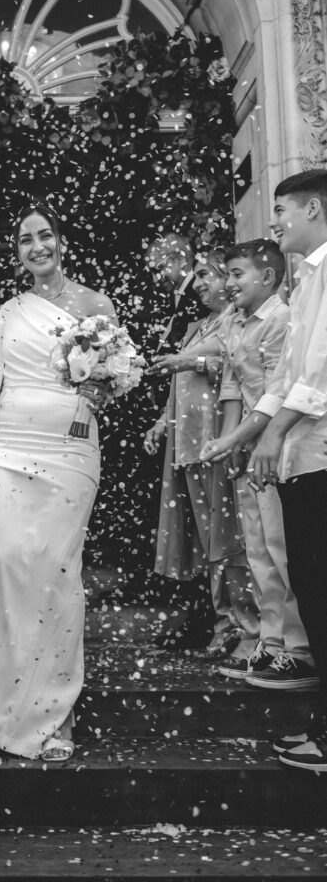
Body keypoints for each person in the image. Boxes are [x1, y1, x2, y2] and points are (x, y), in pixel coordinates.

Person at [0, 203, 116, 761]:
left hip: (69, 450)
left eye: (45, 236)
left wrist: (105, 386)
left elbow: (119, 377)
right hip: (6, 443)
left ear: (62, 241)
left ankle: (52, 710)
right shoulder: (5, 312)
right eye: (25, 240)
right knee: (3, 553)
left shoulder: (96, 305)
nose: (36, 246)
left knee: (54, 571)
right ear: (16, 252)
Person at [200, 171, 327, 772]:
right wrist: (251, 436)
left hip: (321, 449)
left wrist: (270, 434)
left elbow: (319, 373)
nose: (274, 222)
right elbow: (282, 380)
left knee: (318, 583)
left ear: (313, 207)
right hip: (298, 452)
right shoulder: (305, 281)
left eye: (280, 210)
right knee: (305, 572)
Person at [201, 239, 314, 685]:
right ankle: (270, 642)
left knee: (281, 547)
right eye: (226, 275)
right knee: (257, 548)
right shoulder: (237, 323)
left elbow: (276, 391)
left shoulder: (280, 320)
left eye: (236, 274)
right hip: (248, 448)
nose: (229, 284)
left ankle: (298, 647)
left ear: (267, 277)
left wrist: (244, 440)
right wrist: (228, 443)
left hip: (274, 448)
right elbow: (233, 387)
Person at [144, 249, 259, 660]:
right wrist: (161, 421)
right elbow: (182, 381)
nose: (202, 284)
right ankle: (224, 621)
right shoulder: (199, 325)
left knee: (229, 540)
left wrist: (185, 360)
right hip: (188, 444)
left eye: (206, 275)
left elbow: (228, 365)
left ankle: (249, 625)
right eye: (200, 276)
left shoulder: (236, 322)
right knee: (209, 541)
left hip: (217, 441)